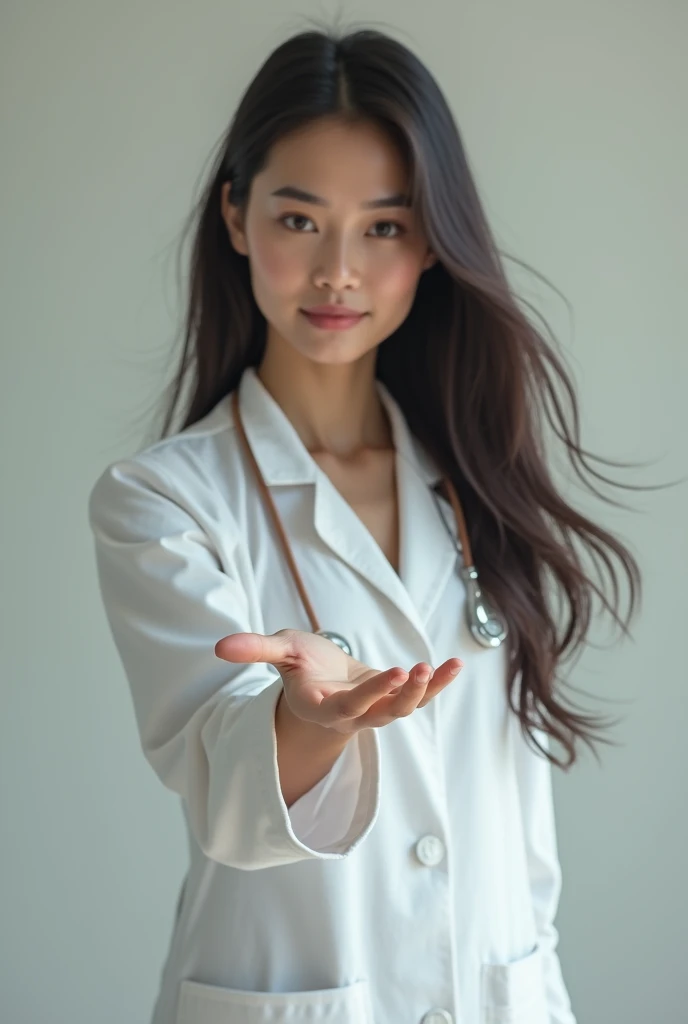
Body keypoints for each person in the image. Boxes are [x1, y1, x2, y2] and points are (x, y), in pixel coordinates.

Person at [87, 22, 642, 1024]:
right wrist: (304, 723)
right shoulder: (164, 499)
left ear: (431, 240)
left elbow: (522, 855)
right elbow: (224, 786)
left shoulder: (482, 481)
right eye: (299, 220)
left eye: (382, 226)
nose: (337, 270)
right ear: (236, 218)